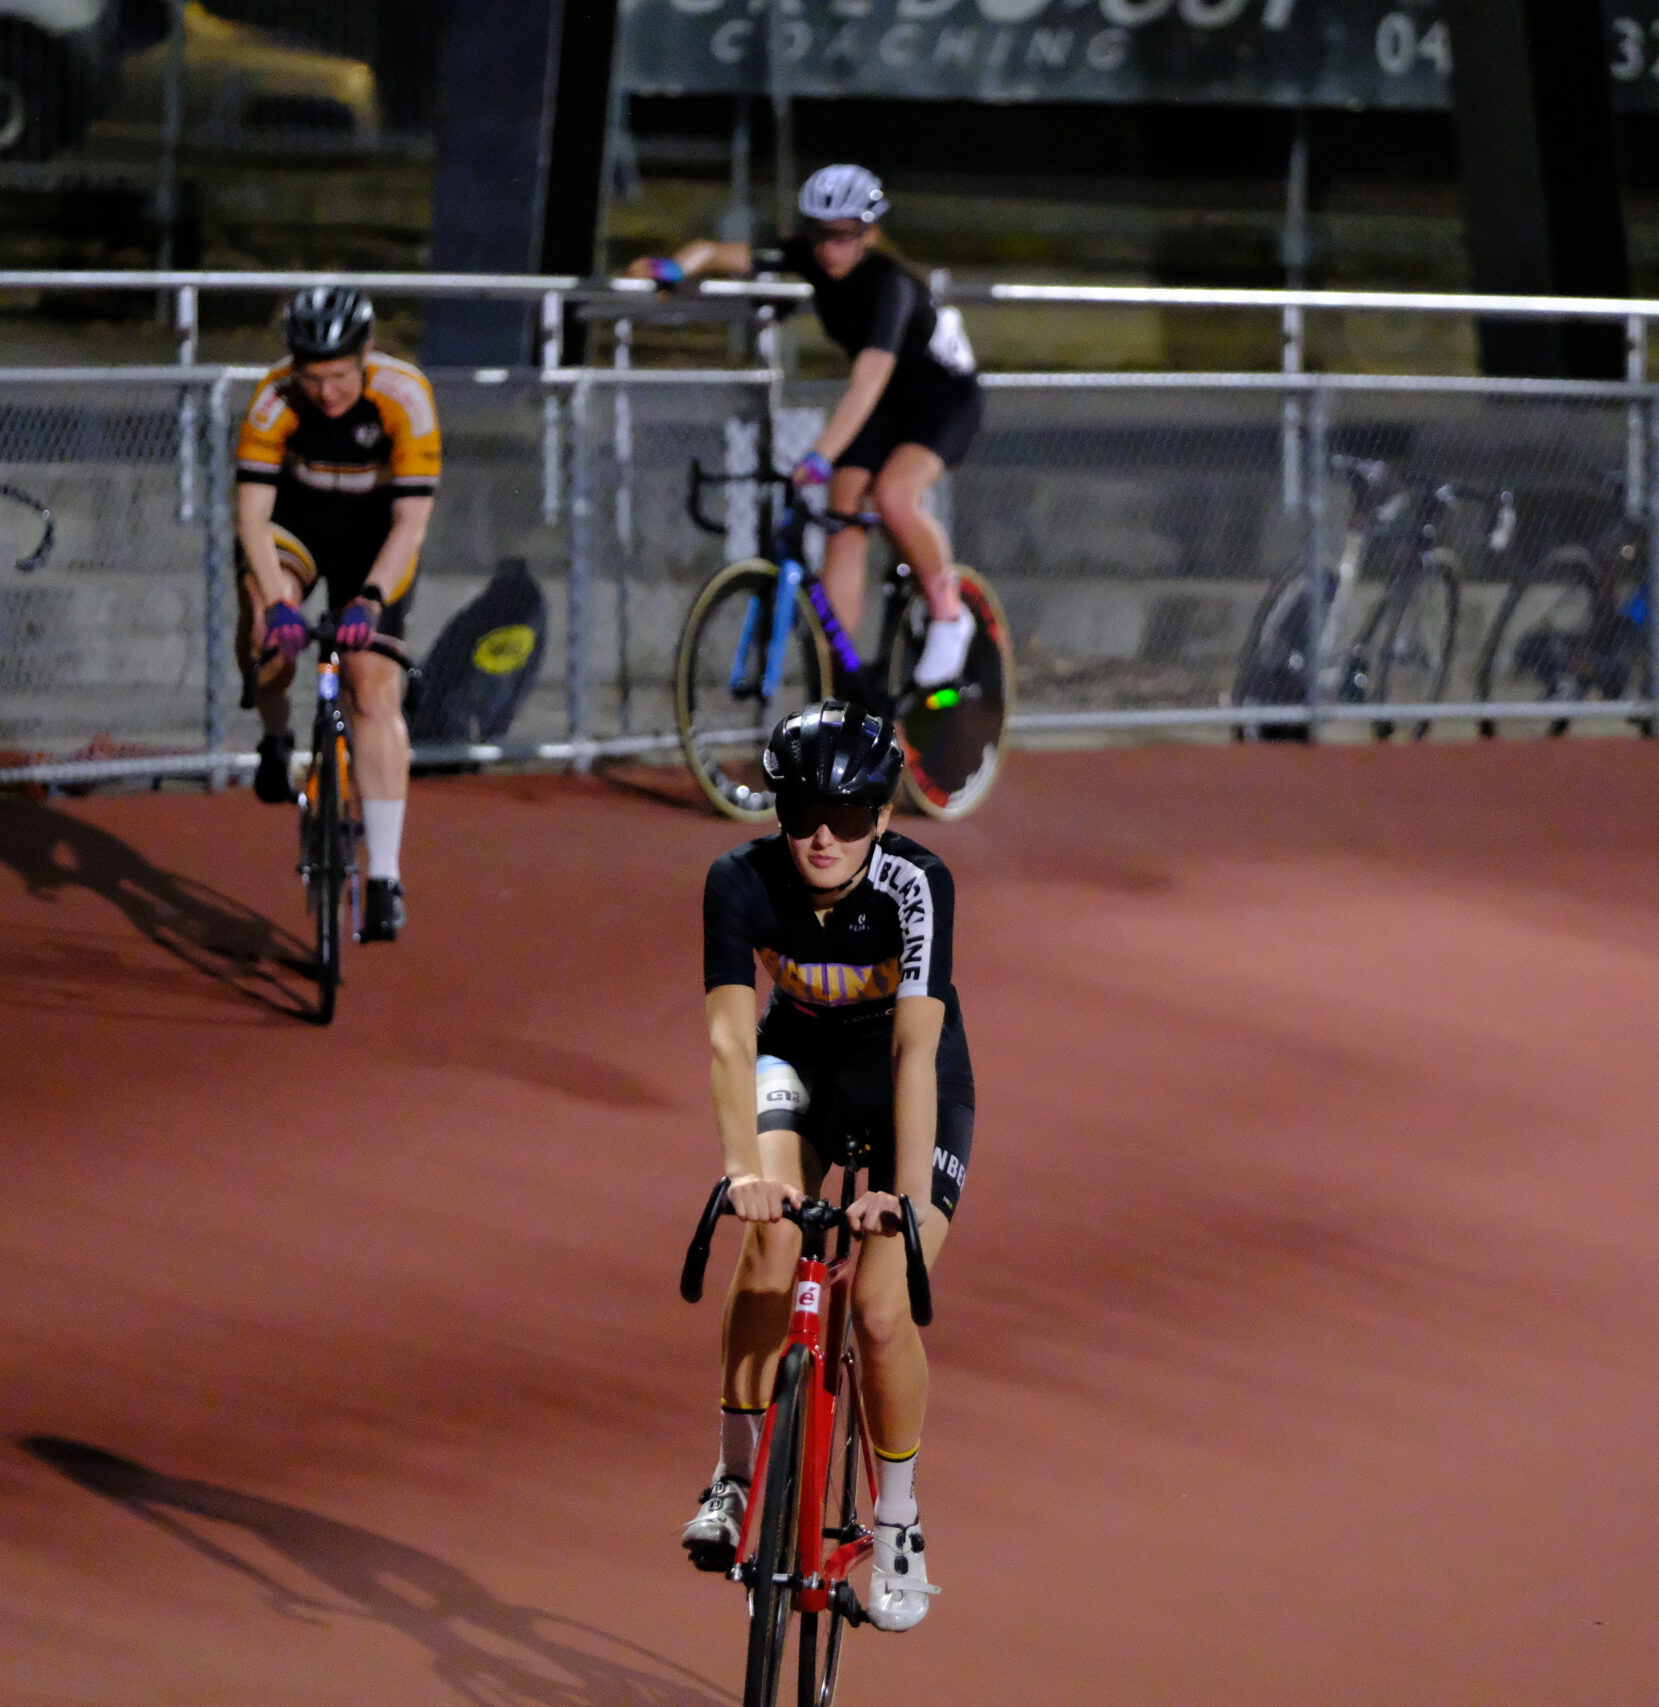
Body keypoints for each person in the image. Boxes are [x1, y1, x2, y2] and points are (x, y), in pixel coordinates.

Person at [684, 699, 974, 1633]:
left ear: (882, 817)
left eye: (847, 816)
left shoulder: (917, 883)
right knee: (771, 1238)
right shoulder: (738, 880)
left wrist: (906, 1197)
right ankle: (734, 1475)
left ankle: (899, 1522)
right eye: (803, 810)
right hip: (798, 1060)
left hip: (900, 1079)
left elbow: (916, 1052)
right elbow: (732, 1040)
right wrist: (742, 1171)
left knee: (882, 1308)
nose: (822, 835)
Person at [632, 165, 983, 690]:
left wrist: (820, 454)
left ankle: (950, 615)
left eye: (843, 235)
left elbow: (868, 380)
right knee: (842, 519)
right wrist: (672, 268)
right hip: (887, 403)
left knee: (893, 495)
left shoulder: (890, 285)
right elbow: (717, 252)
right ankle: (840, 673)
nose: (828, 248)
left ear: (870, 234)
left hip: (941, 400)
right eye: (819, 233)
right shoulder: (810, 258)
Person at [234, 286, 438, 944]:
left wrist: (370, 598)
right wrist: (278, 603)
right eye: (313, 378)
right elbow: (252, 518)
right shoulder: (273, 399)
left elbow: (410, 524)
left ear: (367, 354)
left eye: (341, 377)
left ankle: (385, 876)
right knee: (267, 629)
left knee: (371, 686)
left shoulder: (405, 396)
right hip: (296, 526)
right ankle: (275, 736)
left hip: (373, 539)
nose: (327, 393)